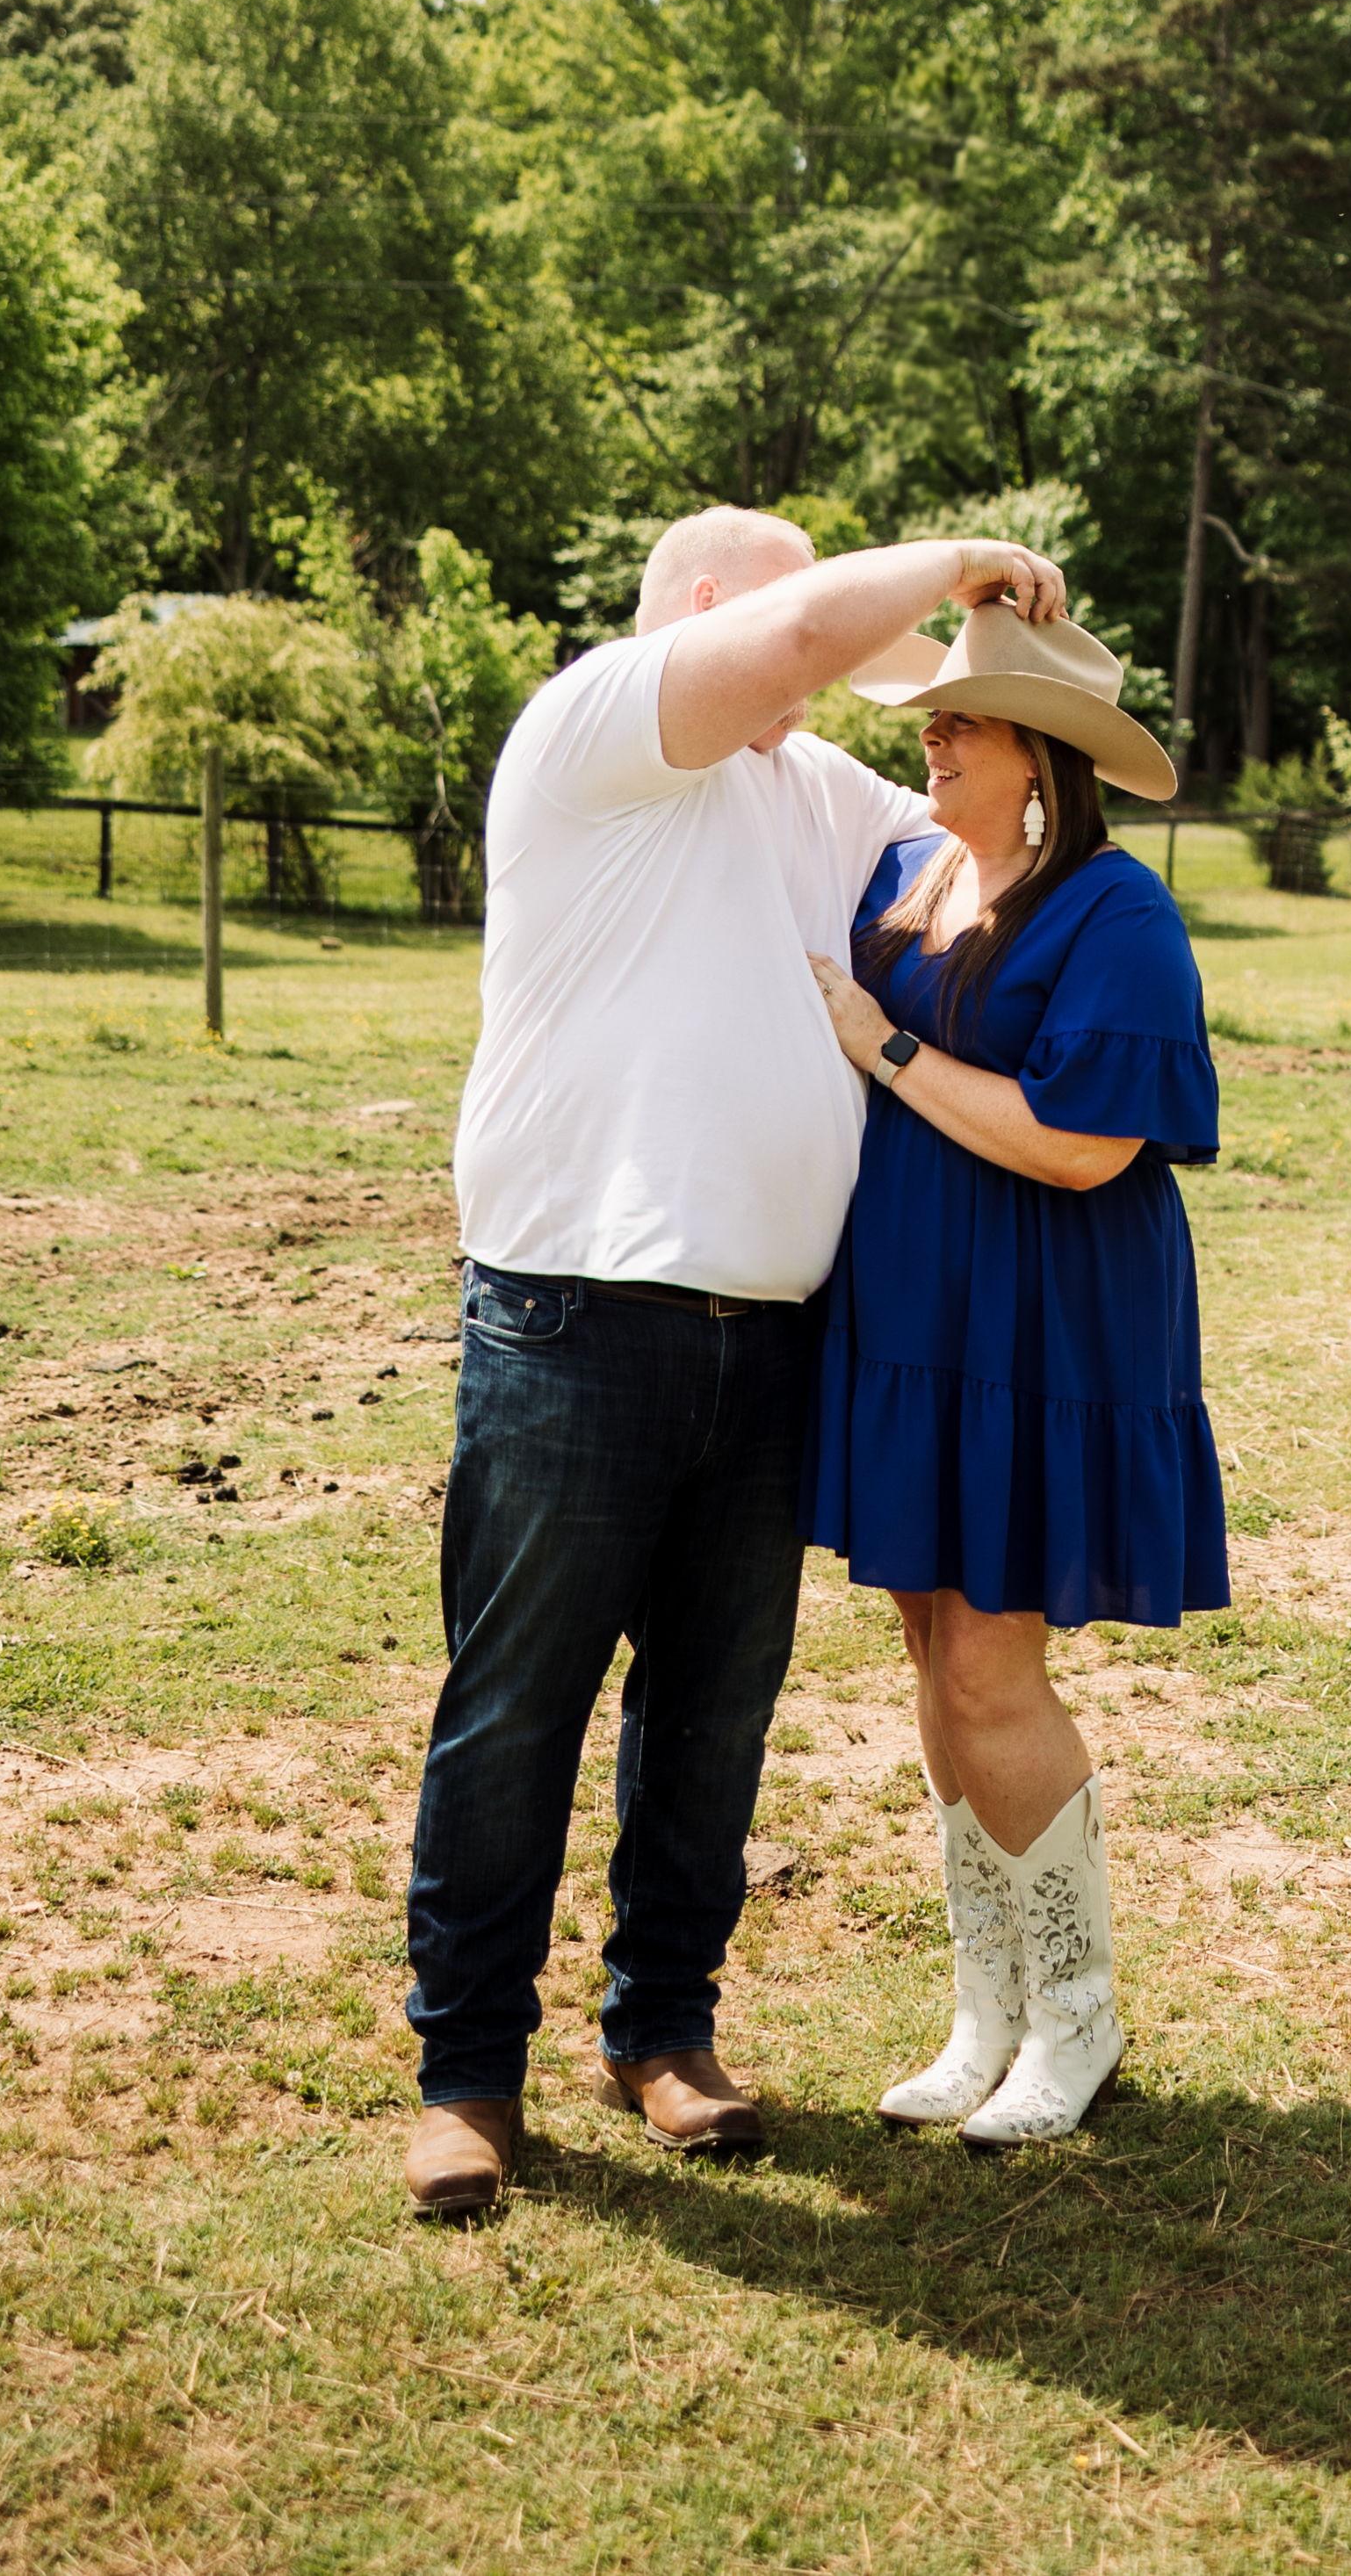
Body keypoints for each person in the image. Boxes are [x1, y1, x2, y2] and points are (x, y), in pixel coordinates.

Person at [397, 509, 1071, 2226]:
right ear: (703, 609)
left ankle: (665, 2034)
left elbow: (1006, 822)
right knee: (515, 1710)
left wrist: (999, 642)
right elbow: (786, 652)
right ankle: (468, 2074)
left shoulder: (813, 796)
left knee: (711, 1721)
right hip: (574, 1321)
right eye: (801, 623)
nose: (827, 666)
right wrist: (960, 553)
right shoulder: (603, 723)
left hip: (772, 1338)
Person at [801, 604, 1226, 2147]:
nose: (933, 737)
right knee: (931, 1651)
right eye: (933, 714)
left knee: (990, 1665)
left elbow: (1085, 1141)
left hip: (1043, 1328)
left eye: (961, 720)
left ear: (1040, 757)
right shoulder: (914, 880)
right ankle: (987, 2008)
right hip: (913, 1322)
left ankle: (1078, 2012)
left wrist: (888, 1052)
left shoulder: (1117, 914)